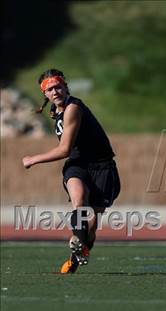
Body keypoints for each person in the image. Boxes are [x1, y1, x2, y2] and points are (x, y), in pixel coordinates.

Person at [22, 69, 120, 274]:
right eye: (49, 89)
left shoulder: (73, 108)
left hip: (102, 167)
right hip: (77, 164)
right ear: (45, 94)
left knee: (91, 227)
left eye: (58, 86)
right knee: (79, 201)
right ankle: (76, 239)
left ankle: (76, 256)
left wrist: (33, 159)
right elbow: (71, 153)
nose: (55, 91)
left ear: (65, 87)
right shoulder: (54, 111)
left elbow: (64, 149)